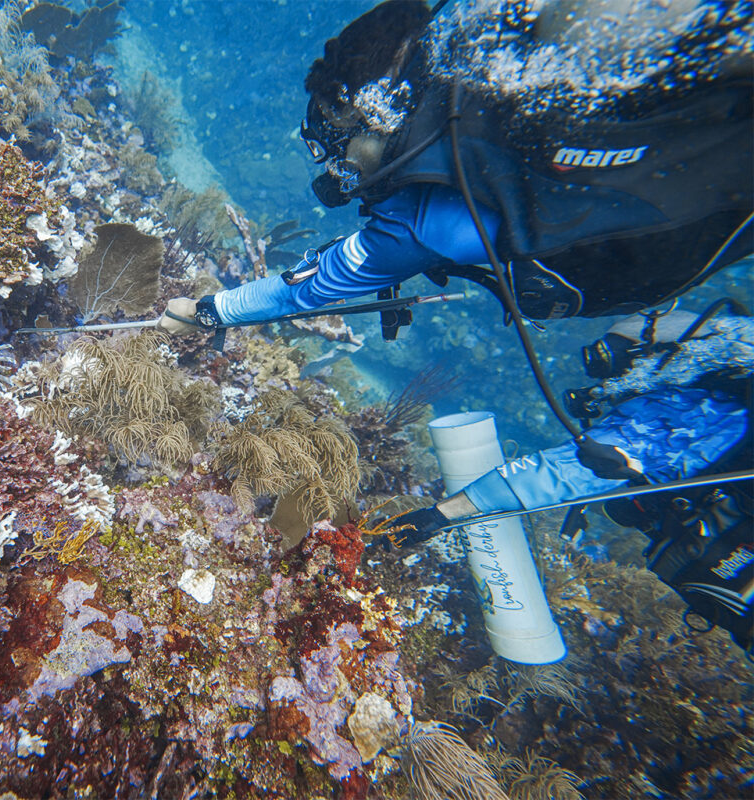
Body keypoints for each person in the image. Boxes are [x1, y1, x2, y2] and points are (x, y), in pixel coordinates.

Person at [157, 0, 752, 335]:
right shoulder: (474, 88)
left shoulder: (415, 222)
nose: (337, 163)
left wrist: (208, 310)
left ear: (376, 112)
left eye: (336, 138)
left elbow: (301, 294)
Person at [396, 307, 753, 652]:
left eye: (611, 363)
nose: (608, 381)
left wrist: (438, 515)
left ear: (654, 355)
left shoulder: (687, 408)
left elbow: (559, 472)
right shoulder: (732, 400)